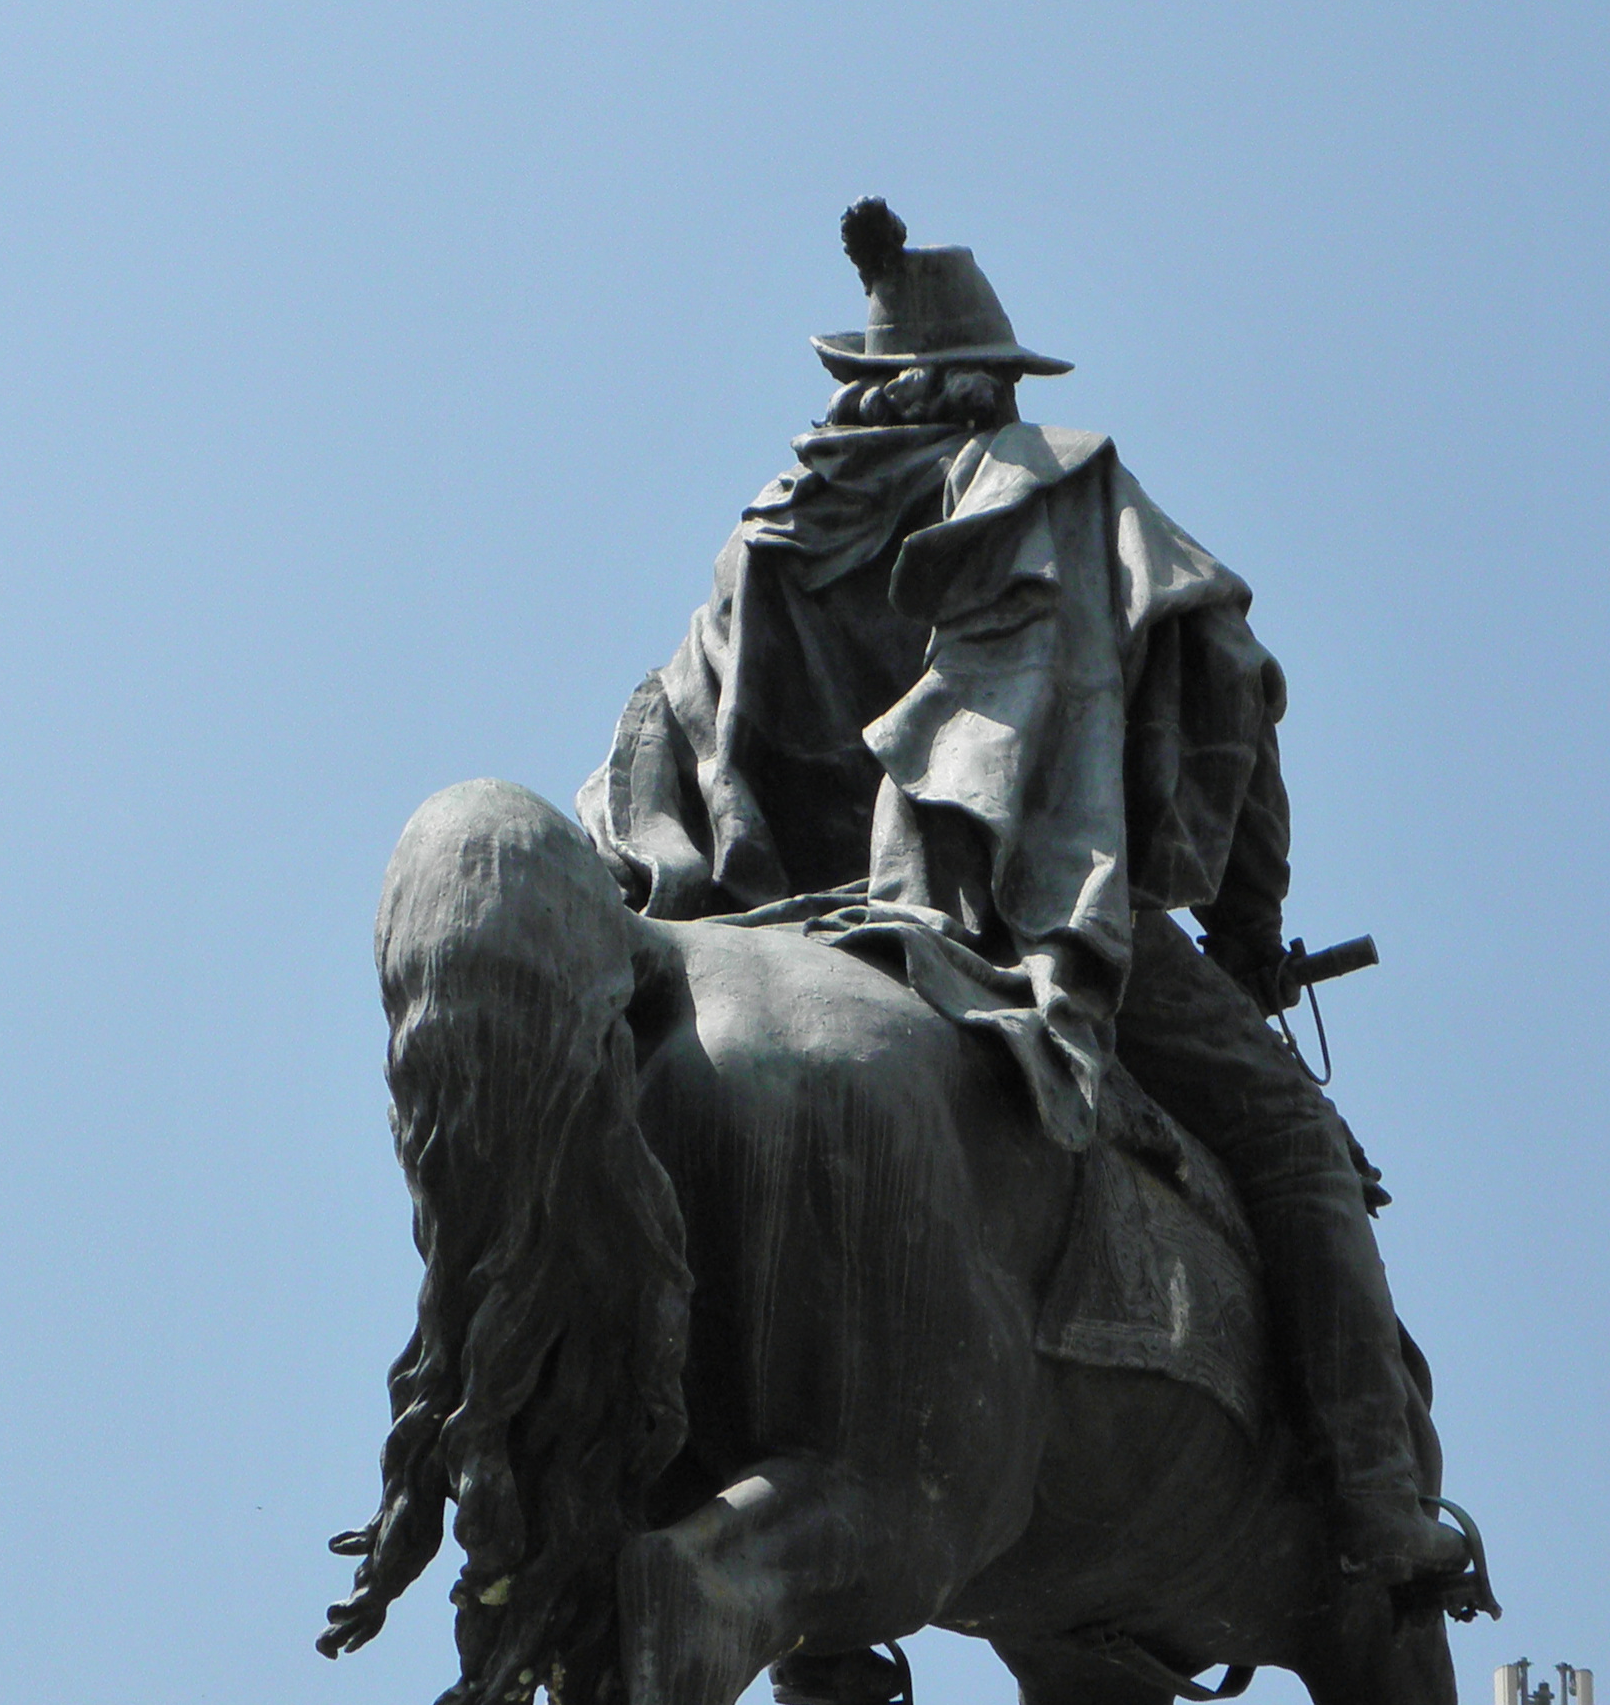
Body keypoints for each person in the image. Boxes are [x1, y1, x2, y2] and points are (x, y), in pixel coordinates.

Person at [585, 200, 1467, 1593]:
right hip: (1012, 910)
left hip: (772, 934)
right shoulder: (1046, 477)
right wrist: (1242, 938)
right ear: (986, 379)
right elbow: (1227, 683)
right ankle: (1378, 1508)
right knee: (1300, 1156)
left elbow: (660, 759)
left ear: (863, 385)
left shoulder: (759, 544)